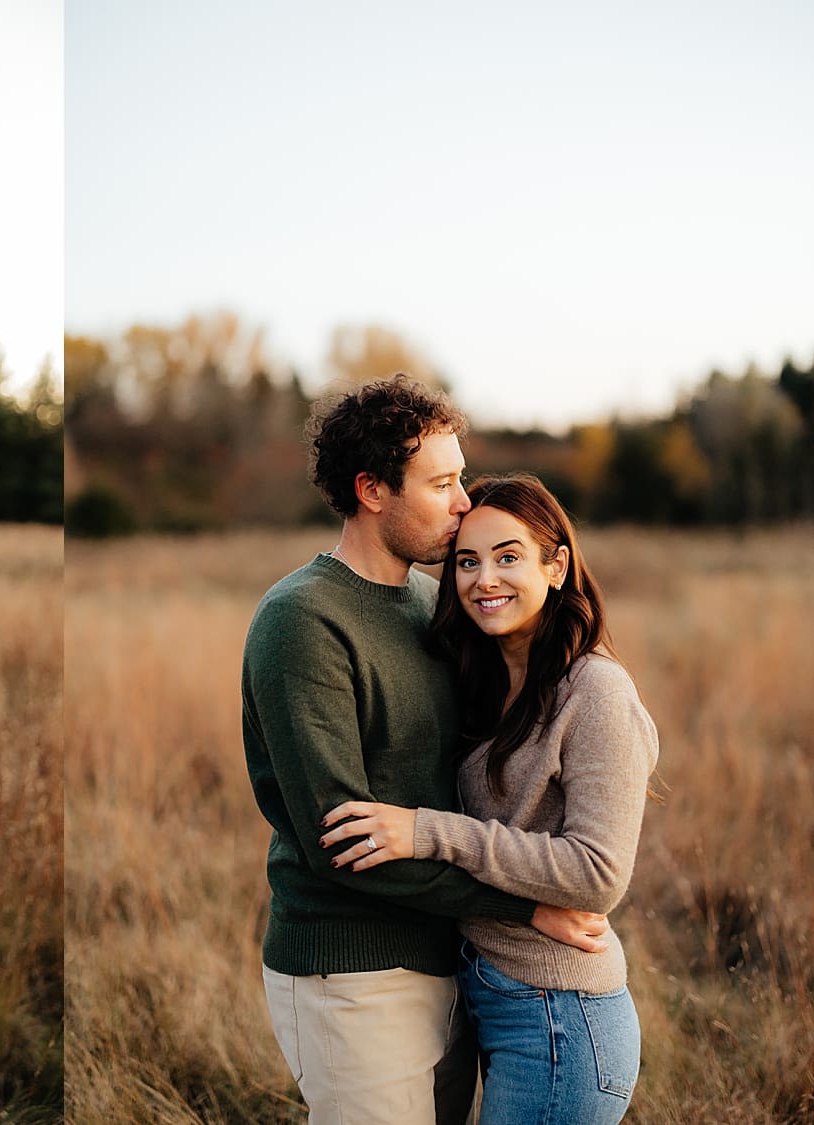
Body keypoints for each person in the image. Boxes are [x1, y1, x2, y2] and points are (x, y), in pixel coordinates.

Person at [242, 375, 609, 1125]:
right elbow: (337, 839)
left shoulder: (430, 603)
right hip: (353, 972)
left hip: (455, 960)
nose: (465, 503)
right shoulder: (302, 620)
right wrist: (527, 904)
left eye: (462, 478)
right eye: (442, 483)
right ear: (372, 489)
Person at [320, 474, 659, 1124]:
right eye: (467, 561)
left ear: (556, 565)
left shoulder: (595, 691)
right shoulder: (484, 677)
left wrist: (429, 832)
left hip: (560, 1018)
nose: (484, 579)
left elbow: (598, 875)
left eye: (508, 556)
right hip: (489, 995)